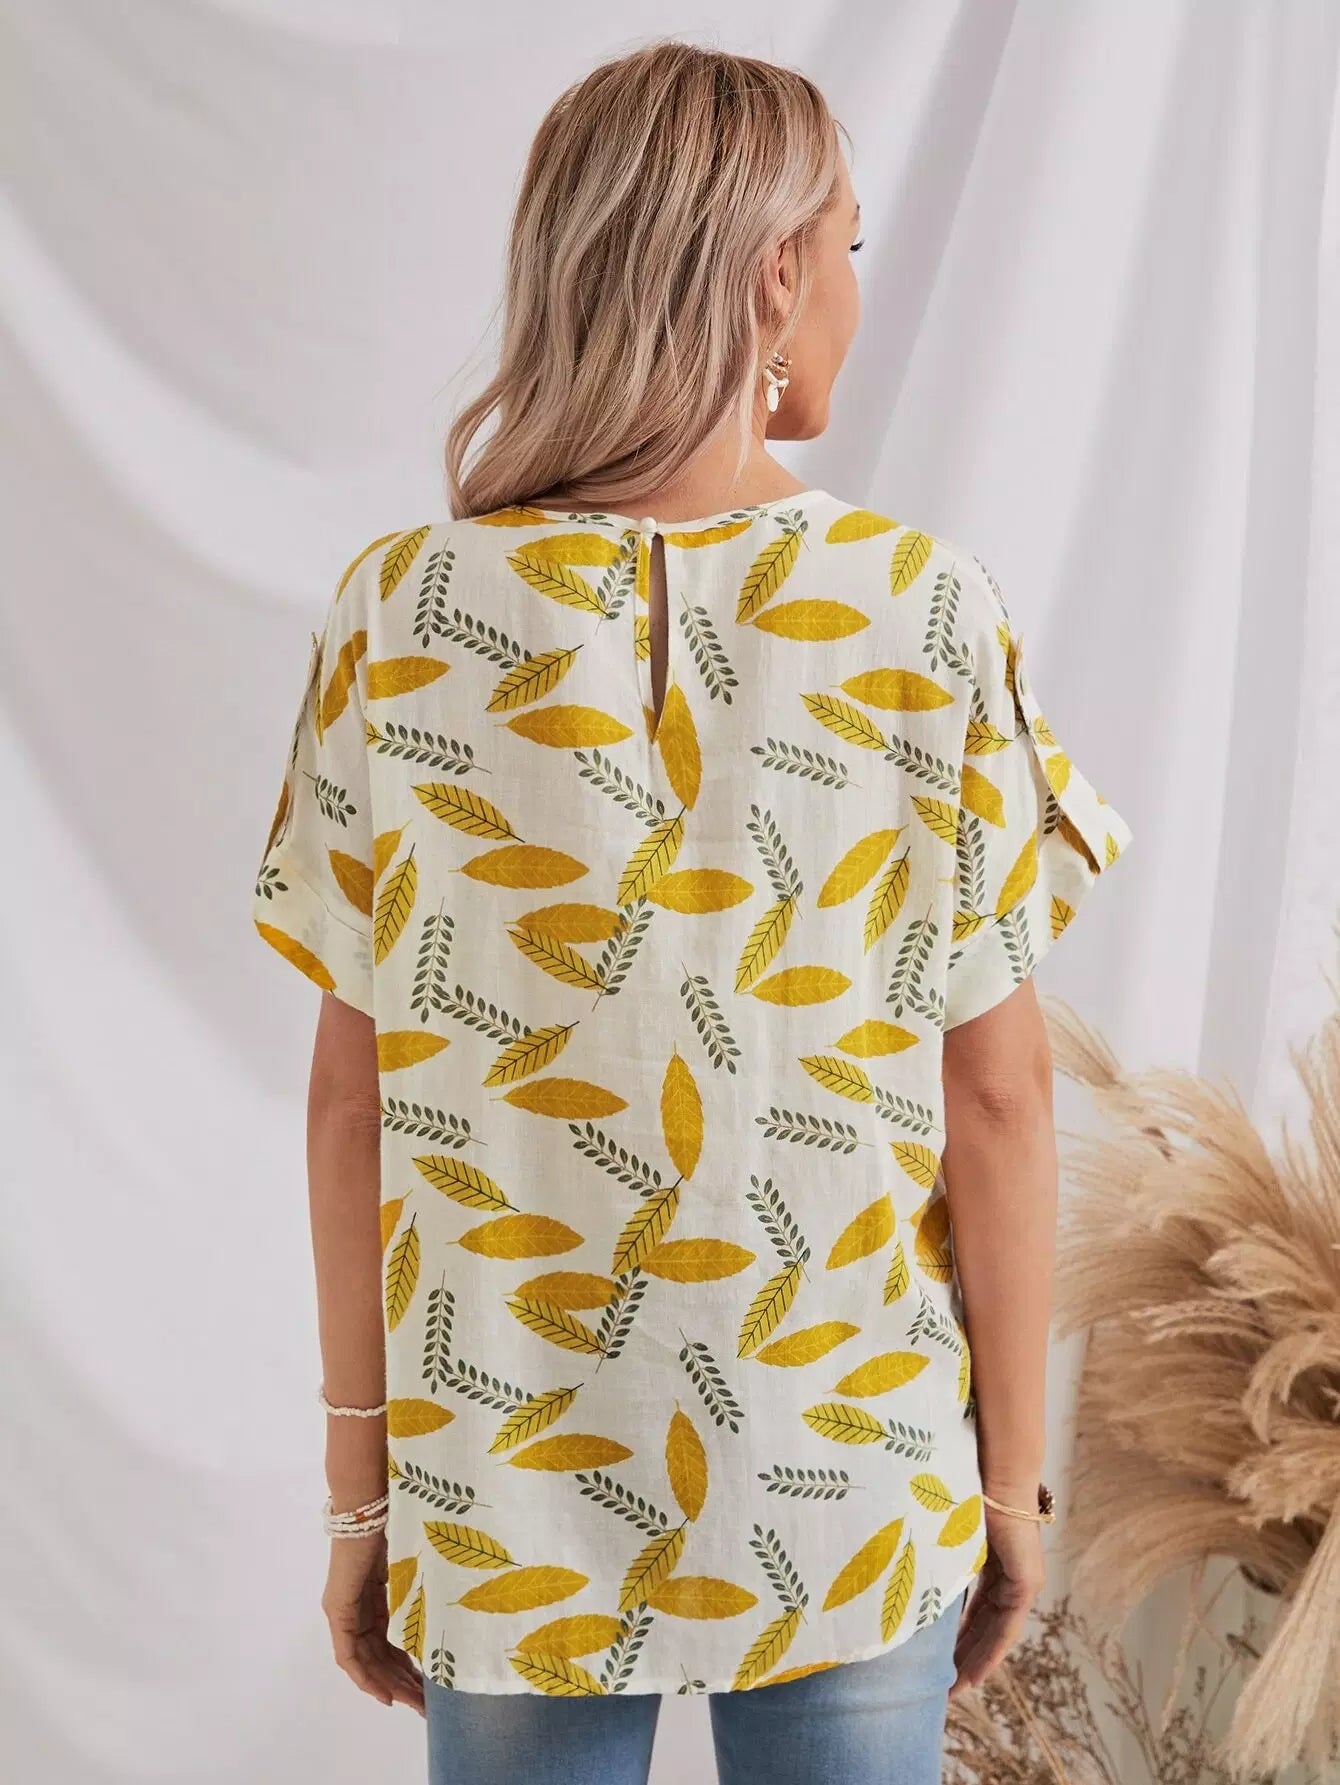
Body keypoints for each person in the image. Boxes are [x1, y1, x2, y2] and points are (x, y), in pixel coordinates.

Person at [249, 38, 1133, 1785]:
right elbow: (1001, 1095)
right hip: (846, 1460)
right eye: (849, 246)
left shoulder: (401, 615)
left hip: (505, 1480)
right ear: (775, 273)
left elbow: (354, 1101)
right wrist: (1013, 1485)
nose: (857, 290)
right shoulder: (921, 608)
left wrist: (362, 1492)